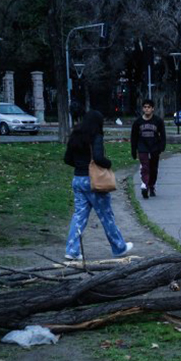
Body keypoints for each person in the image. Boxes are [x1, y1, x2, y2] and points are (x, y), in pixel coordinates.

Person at [63, 110, 133, 261]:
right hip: (93, 182)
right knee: (106, 215)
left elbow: (67, 159)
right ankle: (119, 247)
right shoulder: (96, 136)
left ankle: (72, 250)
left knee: (79, 216)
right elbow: (99, 158)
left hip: (78, 180)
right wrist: (108, 164)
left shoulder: (75, 135)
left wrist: (80, 165)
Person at [131, 99, 166, 199]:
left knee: (153, 168)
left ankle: (151, 186)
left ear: (152, 109)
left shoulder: (158, 121)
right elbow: (134, 137)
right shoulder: (138, 122)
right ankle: (145, 185)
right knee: (145, 166)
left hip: (154, 146)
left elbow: (162, 135)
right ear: (143, 109)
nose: (147, 109)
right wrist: (133, 150)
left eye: (149, 107)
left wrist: (162, 146)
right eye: (145, 107)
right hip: (142, 146)